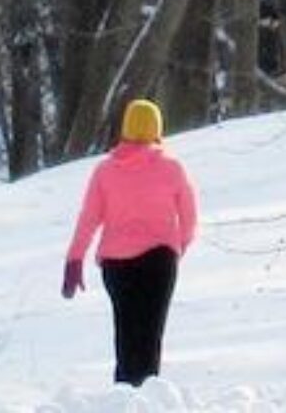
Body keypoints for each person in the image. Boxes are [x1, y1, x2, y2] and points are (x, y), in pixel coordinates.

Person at [64, 99, 199, 387]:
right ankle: (148, 398)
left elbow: (88, 218)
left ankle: (123, 395)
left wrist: (75, 259)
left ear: (125, 128)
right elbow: (189, 217)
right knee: (150, 333)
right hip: (159, 261)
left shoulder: (105, 171)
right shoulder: (172, 168)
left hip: (117, 264)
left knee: (125, 331)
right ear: (156, 129)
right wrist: (179, 247)